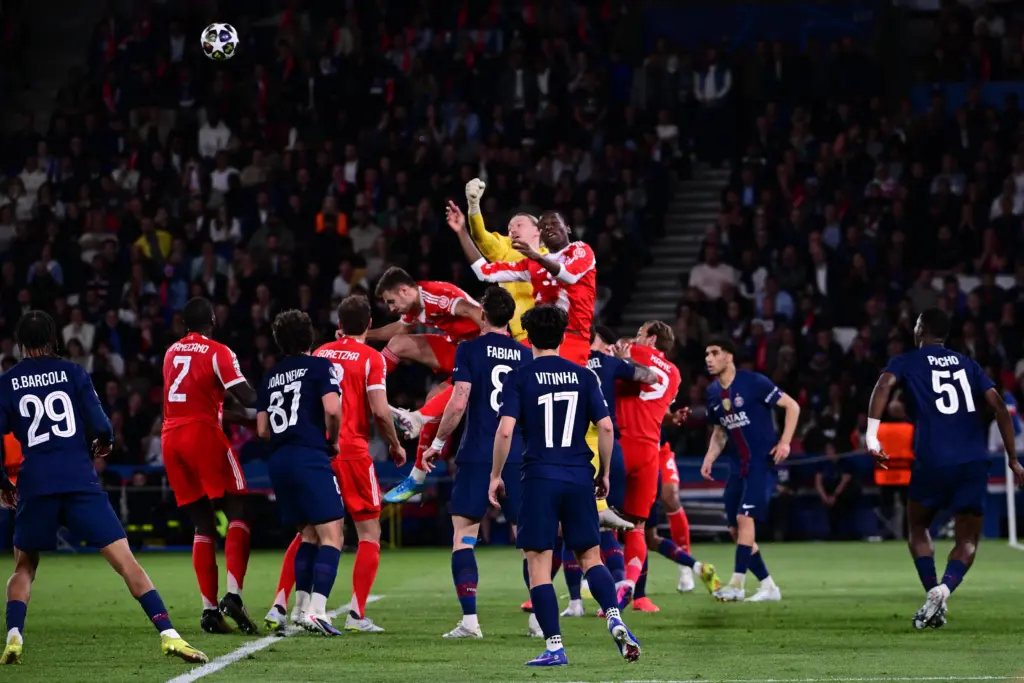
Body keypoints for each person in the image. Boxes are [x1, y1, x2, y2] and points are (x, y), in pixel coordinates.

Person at [0, 311, 206, 665]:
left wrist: (3, 482)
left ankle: (14, 635)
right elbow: (100, 424)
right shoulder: (73, 372)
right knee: (126, 562)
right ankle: (169, 634)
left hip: (36, 482)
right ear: (54, 339)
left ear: (21, 344)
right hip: (79, 479)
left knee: (24, 566)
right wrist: (105, 442)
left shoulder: (7, 382)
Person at [490, 304, 641, 667]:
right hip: (578, 476)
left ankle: (555, 646)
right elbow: (606, 428)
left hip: (540, 477)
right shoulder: (585, 376)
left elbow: (506, 429)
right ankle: (616, 619)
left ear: (528, 338)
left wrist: (495, 476)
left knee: (538, 564)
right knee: (591, 556)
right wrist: (604, 473)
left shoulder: (521, 376)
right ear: (563, 336)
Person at [866, 307, 1024, 629]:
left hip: (933, 459)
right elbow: (999, 406)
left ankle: (931, 592)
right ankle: (943, 590)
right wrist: (1012, 458)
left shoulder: (909, 360)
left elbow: (883, 385)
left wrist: (872, 436)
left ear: (921, 329)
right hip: (973, 461)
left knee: (918, 526)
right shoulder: (969, 364)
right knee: (968, 539)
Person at [385, 185, 545, 500]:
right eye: (509, 226)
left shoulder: (553, 259)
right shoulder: (505, 249)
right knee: (442, 390)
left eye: (519, 225)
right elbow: (482, 249)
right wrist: (469, 214)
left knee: (462, 399)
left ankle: (421, 424)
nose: (511, 229)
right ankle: (414, 457)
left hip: (534, 346)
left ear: (538, 230)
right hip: (507, 341)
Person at [264, 296, 406, 633]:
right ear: (369, 324)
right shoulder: (372, 358)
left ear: (338, 324)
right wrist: (395, 445)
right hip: (352, 450)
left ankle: (281, 605)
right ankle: (356, 614)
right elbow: (381, 412)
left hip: (318, 452)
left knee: (309, 532)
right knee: (369, 532)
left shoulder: (320, 354)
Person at [418, 287, 530, 639]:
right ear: (510, 318)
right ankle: (539, 621)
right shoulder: (526, 354)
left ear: (482, 315)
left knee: (464, 536)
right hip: (517, 454)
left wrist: (437, 442)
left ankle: (470, 622)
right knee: (531, 540)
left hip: (479, 451)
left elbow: (458, 401)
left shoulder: (469, 349)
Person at [160, 297, 259, 634]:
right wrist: (279, 396)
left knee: (202, 525)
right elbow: (247, 396)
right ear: (213, 319)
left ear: (183, 324)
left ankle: (208, 611)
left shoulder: (171, 353)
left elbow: (195, 403)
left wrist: (243, 422)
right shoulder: (219, 351)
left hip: (171, 438)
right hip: (203, 435)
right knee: (239, 510)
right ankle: (233, 595)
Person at [256, 310, 345, 636]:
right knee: (333, 534)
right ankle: (318, 611)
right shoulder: (321, 367)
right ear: (310, 336)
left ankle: (299, 609)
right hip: (309, 456)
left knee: (308, 534)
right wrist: (331, 441)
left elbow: (262, 429)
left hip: (279, 460)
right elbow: (333, 409)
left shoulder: (271, 376)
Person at [368, 267, 482, 504]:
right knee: (398, 343)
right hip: (458, 347)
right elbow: (400, 328)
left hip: (478, 349)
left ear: (404, 290)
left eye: (391, 301)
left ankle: (417, 464)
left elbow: (477, 312)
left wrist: (492, 345)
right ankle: (365, 391)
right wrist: (365, 334)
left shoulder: (437, 295)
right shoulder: (415, 305)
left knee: (435, 397)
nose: (390, 308)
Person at [701, 337, 800, 602]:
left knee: (745, 518)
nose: (709, 359)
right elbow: (720, 431)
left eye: (714, 352)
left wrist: (785, 443)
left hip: (761, 464)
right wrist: (709, 457)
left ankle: (737, 583)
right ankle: (768, 586)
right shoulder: (712, 393)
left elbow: (792, 406)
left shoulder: (754, 382)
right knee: (735, 528)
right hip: (737, 467)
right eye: (707, 354)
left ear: (729, 356)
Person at [454, 208, 596, 366]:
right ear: (540, 234)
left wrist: (537, 257)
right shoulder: (532, 264)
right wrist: (462, 231)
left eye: (554, 223)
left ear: (568, 228)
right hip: (537, 342)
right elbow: (484, 272)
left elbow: (568, 275)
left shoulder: (581, 250)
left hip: (572, 339)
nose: (549, 227)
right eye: (544, 226)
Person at [613, 321, 683, 608]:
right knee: (637, 527)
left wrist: (621, 357)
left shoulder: (637, 351)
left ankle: (598, 586)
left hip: (621, 442)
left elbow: (618, 359)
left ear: (651, 338)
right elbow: (658, 405)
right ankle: (631, 584)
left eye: (641, 332)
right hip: (649, 451)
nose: (637, 336)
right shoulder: (676, 374)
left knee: (601, 521)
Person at [640, 433, 721, 608]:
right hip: (630, 452)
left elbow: (667, 414)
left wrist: (673, 417)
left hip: (657, 451)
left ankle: (686, 568)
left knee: (669, 499)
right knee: (644, 534)